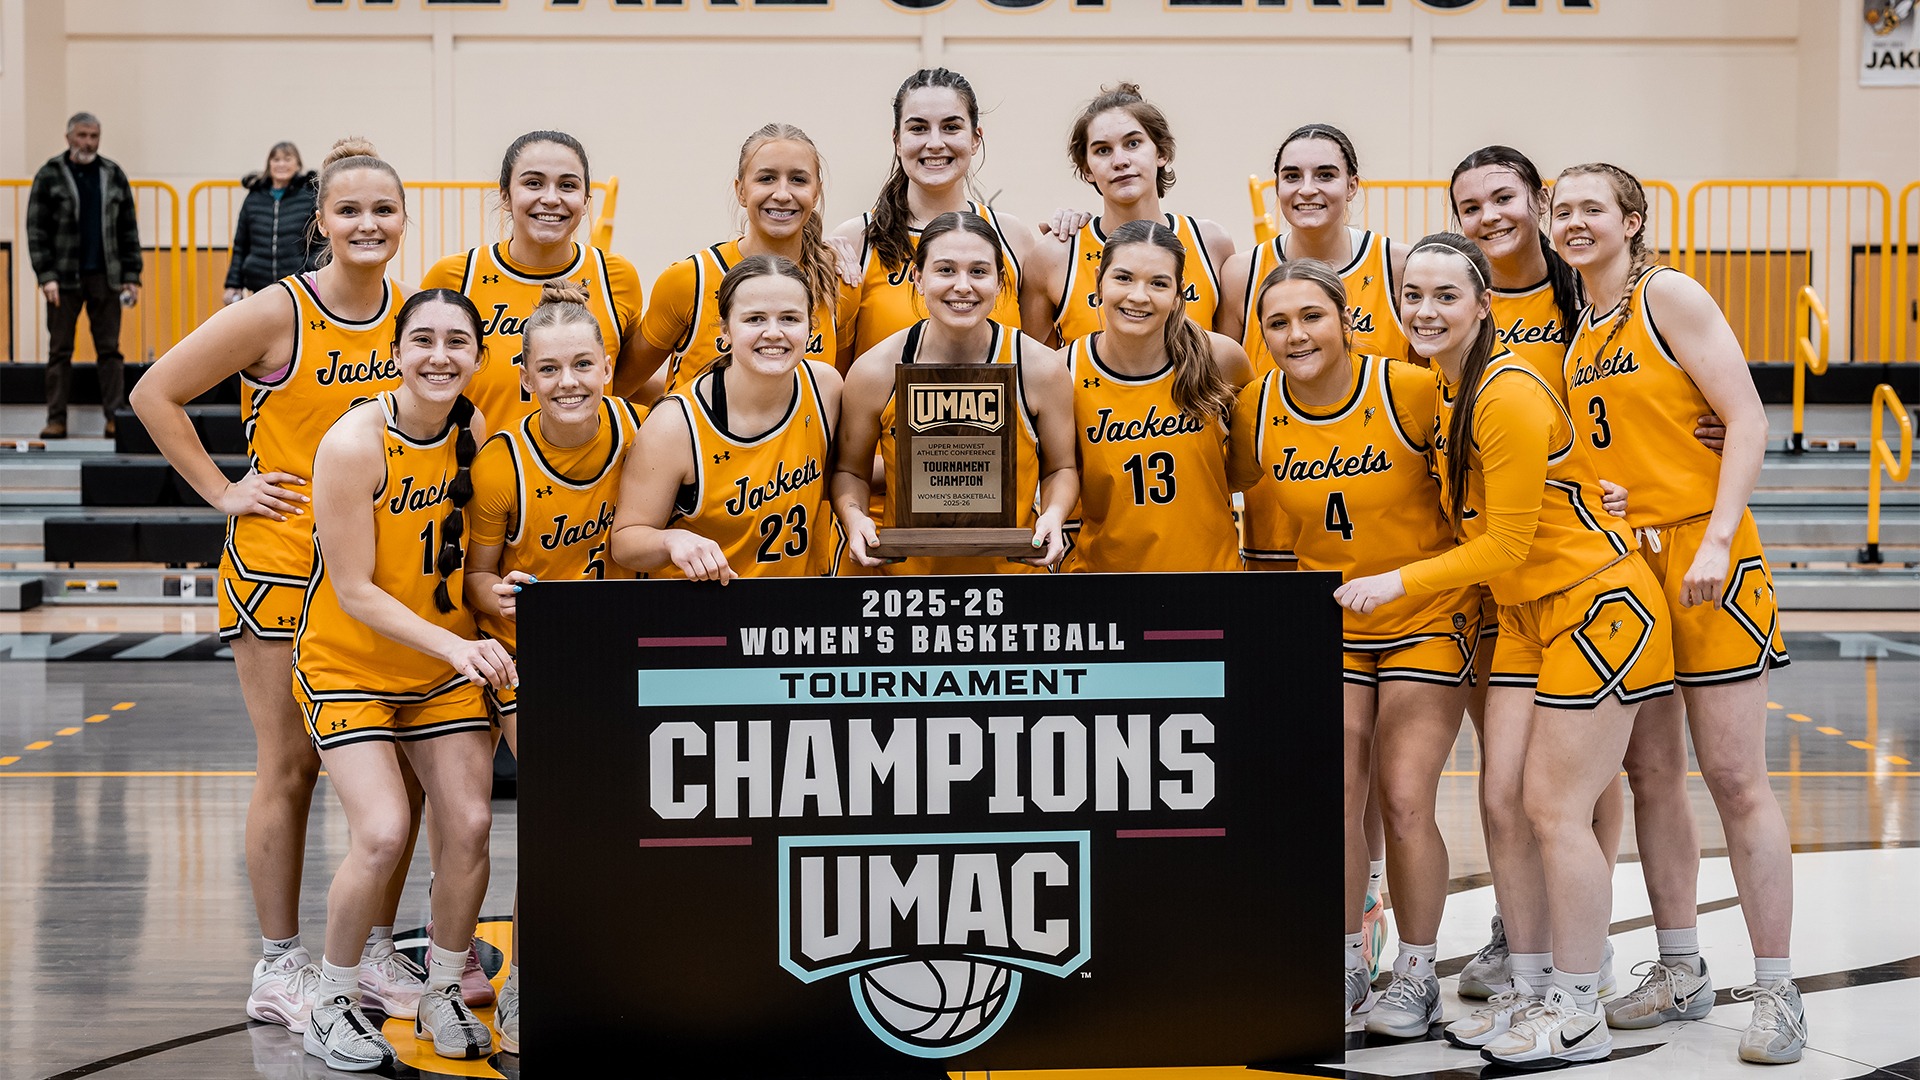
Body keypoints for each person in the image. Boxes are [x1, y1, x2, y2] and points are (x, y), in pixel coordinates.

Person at [1336, 233, 1674, 1067]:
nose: (1425, 310)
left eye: (1447, 295)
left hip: (1598, 607)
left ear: (1484, 305)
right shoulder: (1454, 390)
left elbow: (1512, 541)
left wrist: (1400, 582)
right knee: (1501, 806)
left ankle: (1578, 1005)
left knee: (1556, 811)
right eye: (1412, 295)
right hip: (1526, 619)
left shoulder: (1505, 390)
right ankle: (1529, 989)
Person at [130, 137, 428, 1035]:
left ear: (404, 220)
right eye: (350, 210)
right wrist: (225, 490)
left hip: (381, 573)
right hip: (282, 571)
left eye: (384, 209)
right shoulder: (278, 310)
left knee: (401, 775)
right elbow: (155, 393)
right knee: (291, 767)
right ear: (320, 222)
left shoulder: (417, 314)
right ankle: (277, 964)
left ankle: (373, 946)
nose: (368, 223)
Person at [1553, 163, 1801, 1064]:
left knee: (1736, 780)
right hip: (1631, 567)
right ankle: (1681, 967)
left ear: (1630, 219)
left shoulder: (1672, 295)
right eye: (1563, 210)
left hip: (1708, 560)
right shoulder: (1581, 332)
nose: (1575, 222)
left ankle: (1777, 989)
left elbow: (1746, 418)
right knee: (1652, 780)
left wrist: (1715, 539)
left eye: (1592, 208)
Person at [1226, 259, 1477, 1036]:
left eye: (1311, 316)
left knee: (1403, 796)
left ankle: (1417, 970)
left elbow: (1495, 457)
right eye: (1277, 322)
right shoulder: (1253, 407)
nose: (1296, 334)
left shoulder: (1408, 388)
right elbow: (1225, 498)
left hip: (1426, 611)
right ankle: (1341, 962)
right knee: (1331, 798)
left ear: (1345, 320)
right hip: (1325, 617)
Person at [294, 288, 508, 1070]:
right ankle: (331, 1002)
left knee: (472, 824)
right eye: (422, 340)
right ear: (396, 353)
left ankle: (446, 988)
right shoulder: (354, 443)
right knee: (382, 832)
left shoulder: (471, 429)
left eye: (458, 341)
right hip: (348, 666)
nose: (440, 355)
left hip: (436, 666)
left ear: (478, 358)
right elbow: (354, 590)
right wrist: (455, 648)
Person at [1447, 144, 1623, 1003]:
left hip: (1583, 555)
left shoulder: (1584, 291)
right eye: (1470, 206)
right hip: (1495, 568)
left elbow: (1637, 392)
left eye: (1504, 198)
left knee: (1588, 778)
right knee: (1508, 778)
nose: (1489, 218)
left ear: (1538, 200)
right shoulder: (1455, 304)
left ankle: (1590, 946)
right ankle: (1518, 938)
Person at [464, 280, 646, 1054]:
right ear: (525, 379)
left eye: (583, 364)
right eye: (551, 368)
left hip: (623, 652)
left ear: (608, 367)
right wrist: (496, 593)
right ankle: (529, 989)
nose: (568, 381)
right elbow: (475, 578)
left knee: (636, 823)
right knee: (562, 816)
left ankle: (629, 973)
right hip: (527, 657)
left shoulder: (641, 434)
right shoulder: (502, 465)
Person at [834, 211, 1077, 576]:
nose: (962, 286)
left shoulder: (1041, 367)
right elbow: (849, 471)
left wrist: (1055, 516)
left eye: (979, 271)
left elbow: (1062, 467)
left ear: (1000, 283)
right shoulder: (875, 370)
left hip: (1013, 580)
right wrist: (854, 519)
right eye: (945, 270)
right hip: (906, 585)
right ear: (917, 278)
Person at [612, 256, 841, 580]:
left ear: (810, 327)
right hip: (703, 617)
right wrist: (671, 539)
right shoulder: (675, 424)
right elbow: (625, 542)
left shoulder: (825, 387)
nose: (773, 332)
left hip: (793, 615)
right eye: (754, 319)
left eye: (790, 318)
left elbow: (840, 474)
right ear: (725, 330)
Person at [421, 130, 646, 426]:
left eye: (567, 185)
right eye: (533, 183)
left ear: (585, 200)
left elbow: (627, 382)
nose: (551, 199)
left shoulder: (616, 277)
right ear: (505, 195)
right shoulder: (455, 276)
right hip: (480, 468)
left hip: (588, 469)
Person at [1066, 218, 1247, 574]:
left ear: (1179, 293)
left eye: (1158, 283)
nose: (1138, 295)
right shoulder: (1065, 371)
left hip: (1211, 579)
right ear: (1098, 280)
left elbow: (1246, 466)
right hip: (1103, 582)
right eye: (1123, 278)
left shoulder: (1222, 359)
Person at [635, 123, 852, 398]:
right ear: (741, 190)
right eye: (766, 178)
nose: (783, 194)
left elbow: (839, 398)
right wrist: (674, 416)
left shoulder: (839, 285)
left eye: (798, 179)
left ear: (816, 192)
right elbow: (622, 385)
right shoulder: (690, 280)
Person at [832, 67, 1032, 361]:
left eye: (951, 127)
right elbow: (833, 370)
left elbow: (1042, 363)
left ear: (975, 138)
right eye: (918, 128)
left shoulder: (1013, 238)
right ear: (897, 140)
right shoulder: (856, 240)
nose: (935, 143)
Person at [1020, 83, 1233, 348]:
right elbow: (1033, 371)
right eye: (1103, 150)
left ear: (1162, 152)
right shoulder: (1054, 254)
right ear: (1087, 169)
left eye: (1133, 143)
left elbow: (1228, 364)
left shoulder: (1211, 243)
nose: (1119, 160)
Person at [1219, 123, 1409, 370]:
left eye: (1325, 175)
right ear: (1277, 186)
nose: (1307, 189)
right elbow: (1224, 383)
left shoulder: (1397, 266)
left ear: (1352, 186)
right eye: (1292, 176)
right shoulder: (1241, 274)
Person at [27, 111, 141, 440]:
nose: (88, 142)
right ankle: (56, 419)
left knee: (110, 350)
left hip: (108, 277)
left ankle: (115, 418)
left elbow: (128, 229)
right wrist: (45, 275)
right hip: (62, 280)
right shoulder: (49, 175)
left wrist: (131, 275)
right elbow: (36, 231)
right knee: (59, 350)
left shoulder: (113, 174)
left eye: (93, 136)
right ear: (68, 138)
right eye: (82, 136)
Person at [224, 142, 321, 304]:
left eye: (287, 159)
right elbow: (241, 243)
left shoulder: (308, 196)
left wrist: (309, 270)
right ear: (269, 164)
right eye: (276, 159)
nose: (281, 164)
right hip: (259, 285)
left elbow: (320, 240)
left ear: (298, 165)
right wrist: (233, 284)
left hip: (297, 284)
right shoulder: (254, 197)